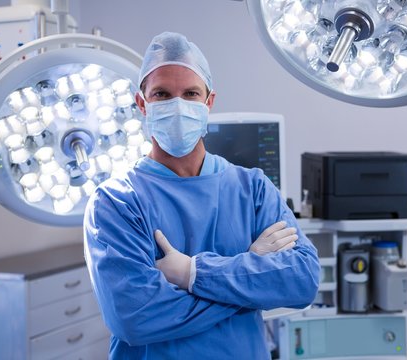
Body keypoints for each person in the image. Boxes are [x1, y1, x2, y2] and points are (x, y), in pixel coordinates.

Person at [84, 31, 320, 359]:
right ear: (142, 104)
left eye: (191, 93)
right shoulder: (118, 202)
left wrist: (192, 273)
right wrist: (250, 275)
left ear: (209, 102)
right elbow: (135, 319)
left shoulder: (252, 189)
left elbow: (302, 281)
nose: (178, 106)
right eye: (162, 94)